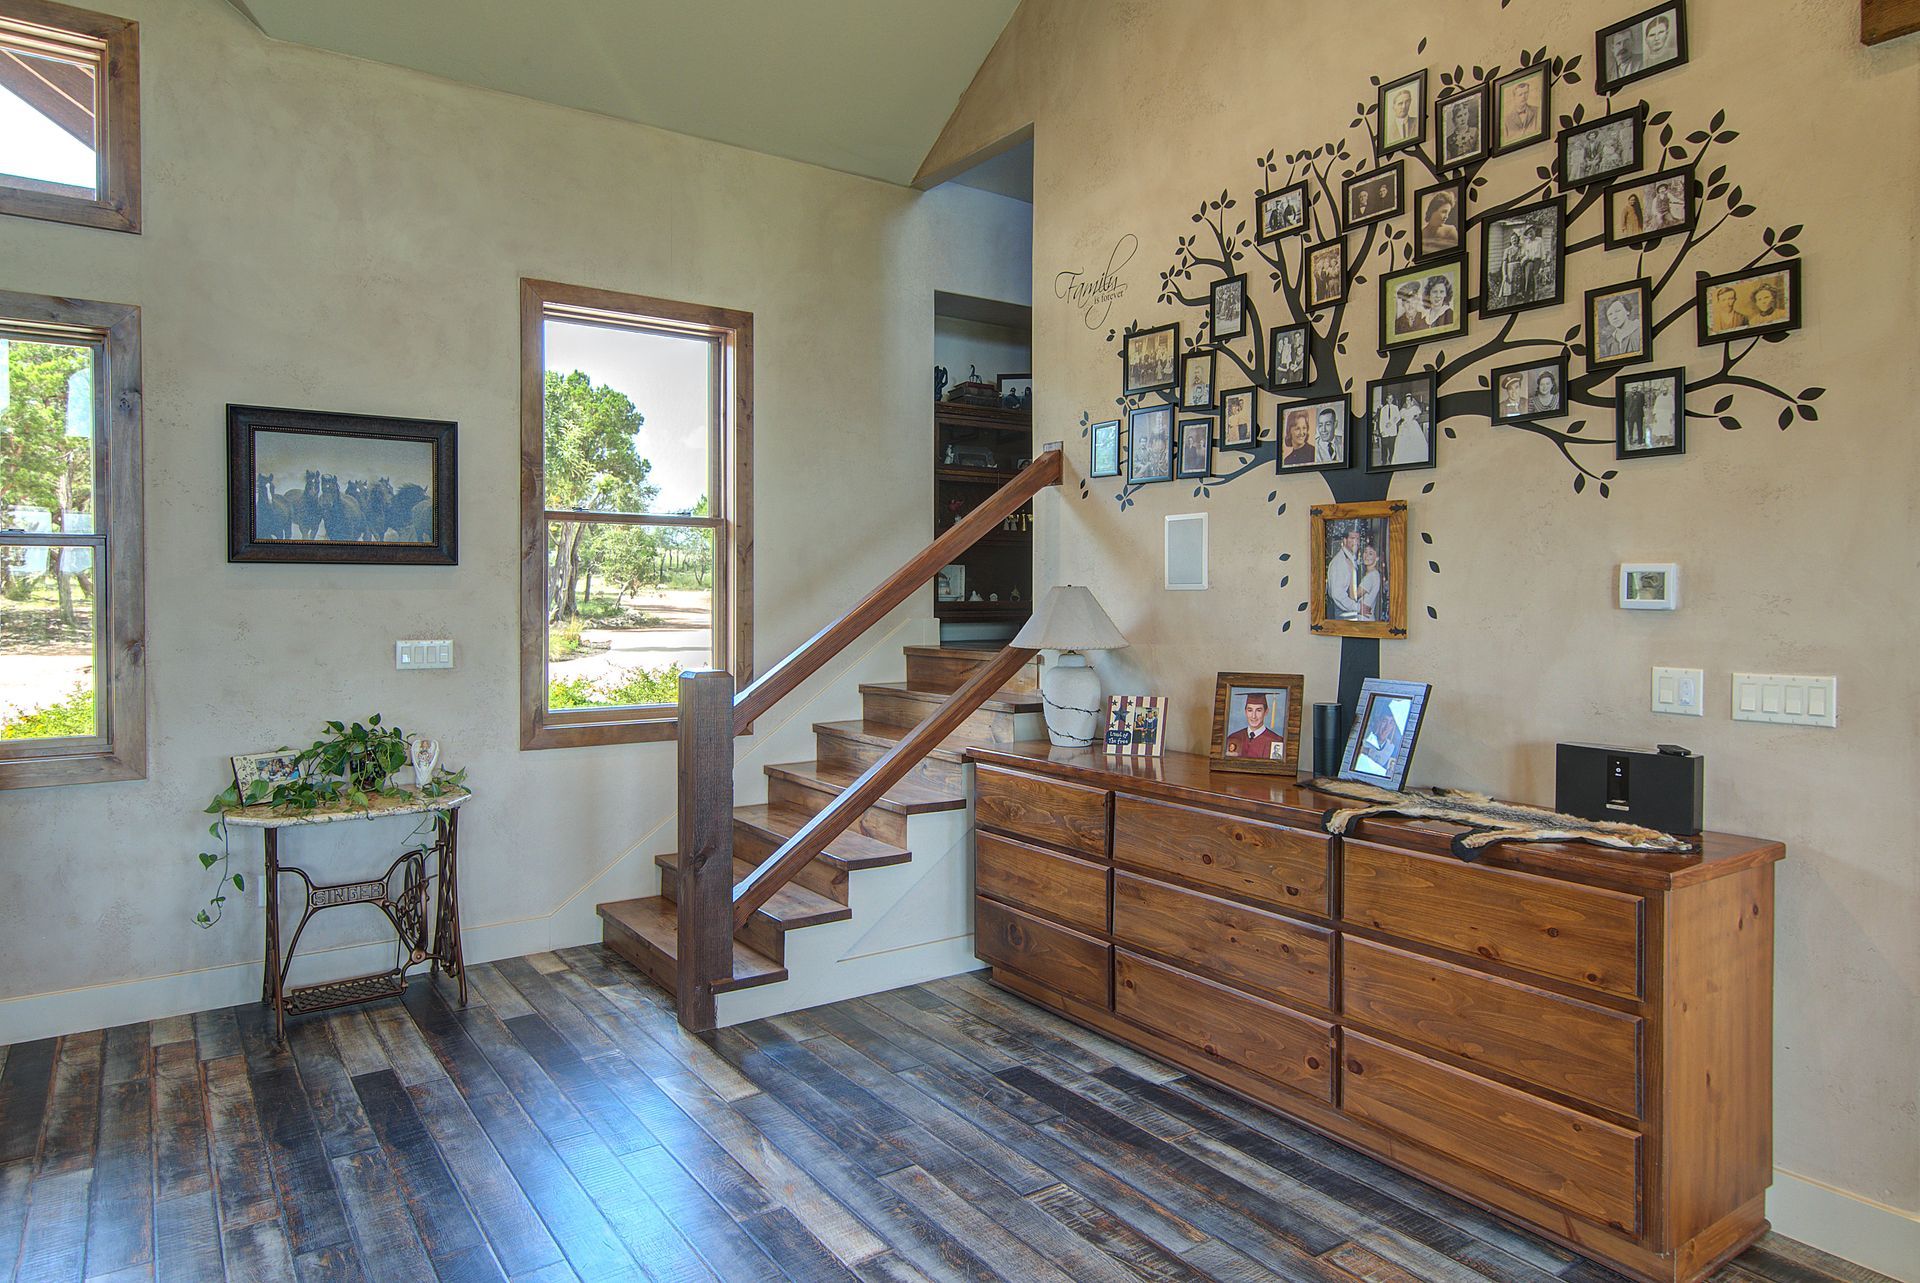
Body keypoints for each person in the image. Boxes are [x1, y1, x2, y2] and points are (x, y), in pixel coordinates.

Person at [1224, 692, 1287, 760]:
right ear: (1245, 712)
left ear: (1266, 712)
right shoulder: (1233, 737)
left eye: (1258, 710)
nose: (1253, 716)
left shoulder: (1276, 741)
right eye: (1250, 710)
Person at [1326, 522, 1365, 620]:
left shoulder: (1352, 559)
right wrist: (1358, 608)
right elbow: (1337, 595)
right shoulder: (1339, 562)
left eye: (1357, 539)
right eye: (1352, 538)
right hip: (1342, 615)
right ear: (1344, 540)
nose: (1355, 542)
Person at [1356, 701, 1404, 778]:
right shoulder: (1363, 743)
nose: (1386, 728)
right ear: (1378, 722)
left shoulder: (1393, 750)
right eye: (1384, 721)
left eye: (1391, 723)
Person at [1597, 295, 1641, 361]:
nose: (1614, 317)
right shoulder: (1610, 341)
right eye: (1610, 314)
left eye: (1617, 311)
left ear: (1627, 311)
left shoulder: (1639, 332)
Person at [1395, 391, 1430, 464]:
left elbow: (1417, 415)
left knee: (1415, 440)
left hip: (1412, 424)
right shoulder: (1403, 410)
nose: (1408, 401)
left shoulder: (1415, 408)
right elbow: (1401, 417)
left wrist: (1414, 418)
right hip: (1405, 425)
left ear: (1411, 400)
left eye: (1409, 400)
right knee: (1403, 441)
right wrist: (1403, 422)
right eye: (1406, 400)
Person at [1355, 544, 1384, 621]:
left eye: (1370, 554)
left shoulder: (1371, 576)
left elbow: (1355, 595)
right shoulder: (1374, 574)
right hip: (1365, 618)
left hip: (1364, 619)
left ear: (1377, 558)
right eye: (1365, 552)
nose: (1366, 556)